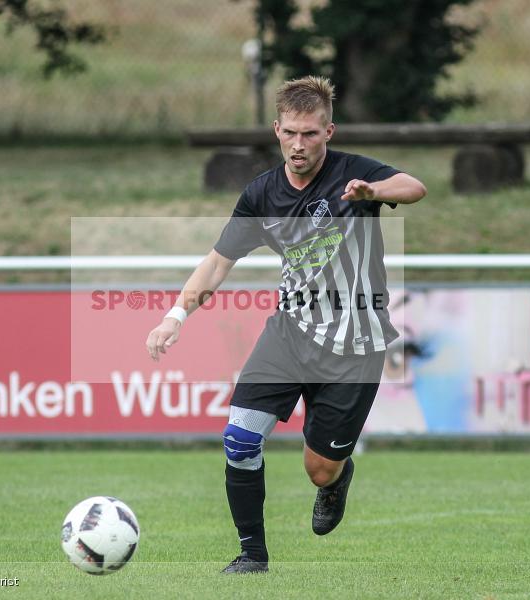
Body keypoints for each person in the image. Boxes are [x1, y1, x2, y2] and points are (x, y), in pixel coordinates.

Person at [145, 76, 426, 573]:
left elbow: (414, 187)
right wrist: (175, 316)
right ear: (276, 130)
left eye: (311, 134)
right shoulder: (261, 194)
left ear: (329, 131)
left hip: (355, 345)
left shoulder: (354, 173)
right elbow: (216, 263)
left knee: (318, 470)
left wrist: (373, 191)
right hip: (289, 333)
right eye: (291, 133)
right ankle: (253, 554)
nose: (300, 144)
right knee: (239, 439)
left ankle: (336, 480)